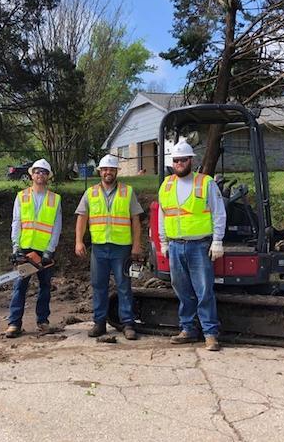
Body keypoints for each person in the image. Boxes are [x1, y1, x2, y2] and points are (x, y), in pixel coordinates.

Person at [158, 141, 226, 351]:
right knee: (182, 290)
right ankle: (187, 328)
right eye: (176, 160)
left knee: (204, 290)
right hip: (176, 246)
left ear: (191, 160)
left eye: (183, 160)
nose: (179, 163)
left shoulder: (205, 183)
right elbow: (163, 214)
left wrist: (217, 240)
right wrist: (163, 241)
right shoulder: (166, 185)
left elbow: (218, 212)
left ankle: (210, 333)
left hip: (199, 246)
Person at [75, 154, 144, 340]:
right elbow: (82, 218)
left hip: (121, 248)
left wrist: (137, 245)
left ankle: (127, 323)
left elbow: (136, 221)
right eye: (105, 169)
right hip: (99, 248)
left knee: (124, 286)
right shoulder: (90, 193)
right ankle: (99, 323)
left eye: (111, 169)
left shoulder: (127, 192)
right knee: (99, 286)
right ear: (100, 171)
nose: (108, 172)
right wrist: (79, 241)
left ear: (116, 172)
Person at [6, 158, 62, 338]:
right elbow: (16, 222)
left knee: (45, 286)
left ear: (48, 177)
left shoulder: (55, 199)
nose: (40, 175)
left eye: (44, 172)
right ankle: (14, 323)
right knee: (20, 286)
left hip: (44, 251)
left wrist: (49, 251)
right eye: (37, 171)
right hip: (25, 248)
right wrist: (16, 248)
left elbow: (56, 227)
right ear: (32, 174)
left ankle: (43, 321)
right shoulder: (21, 196)